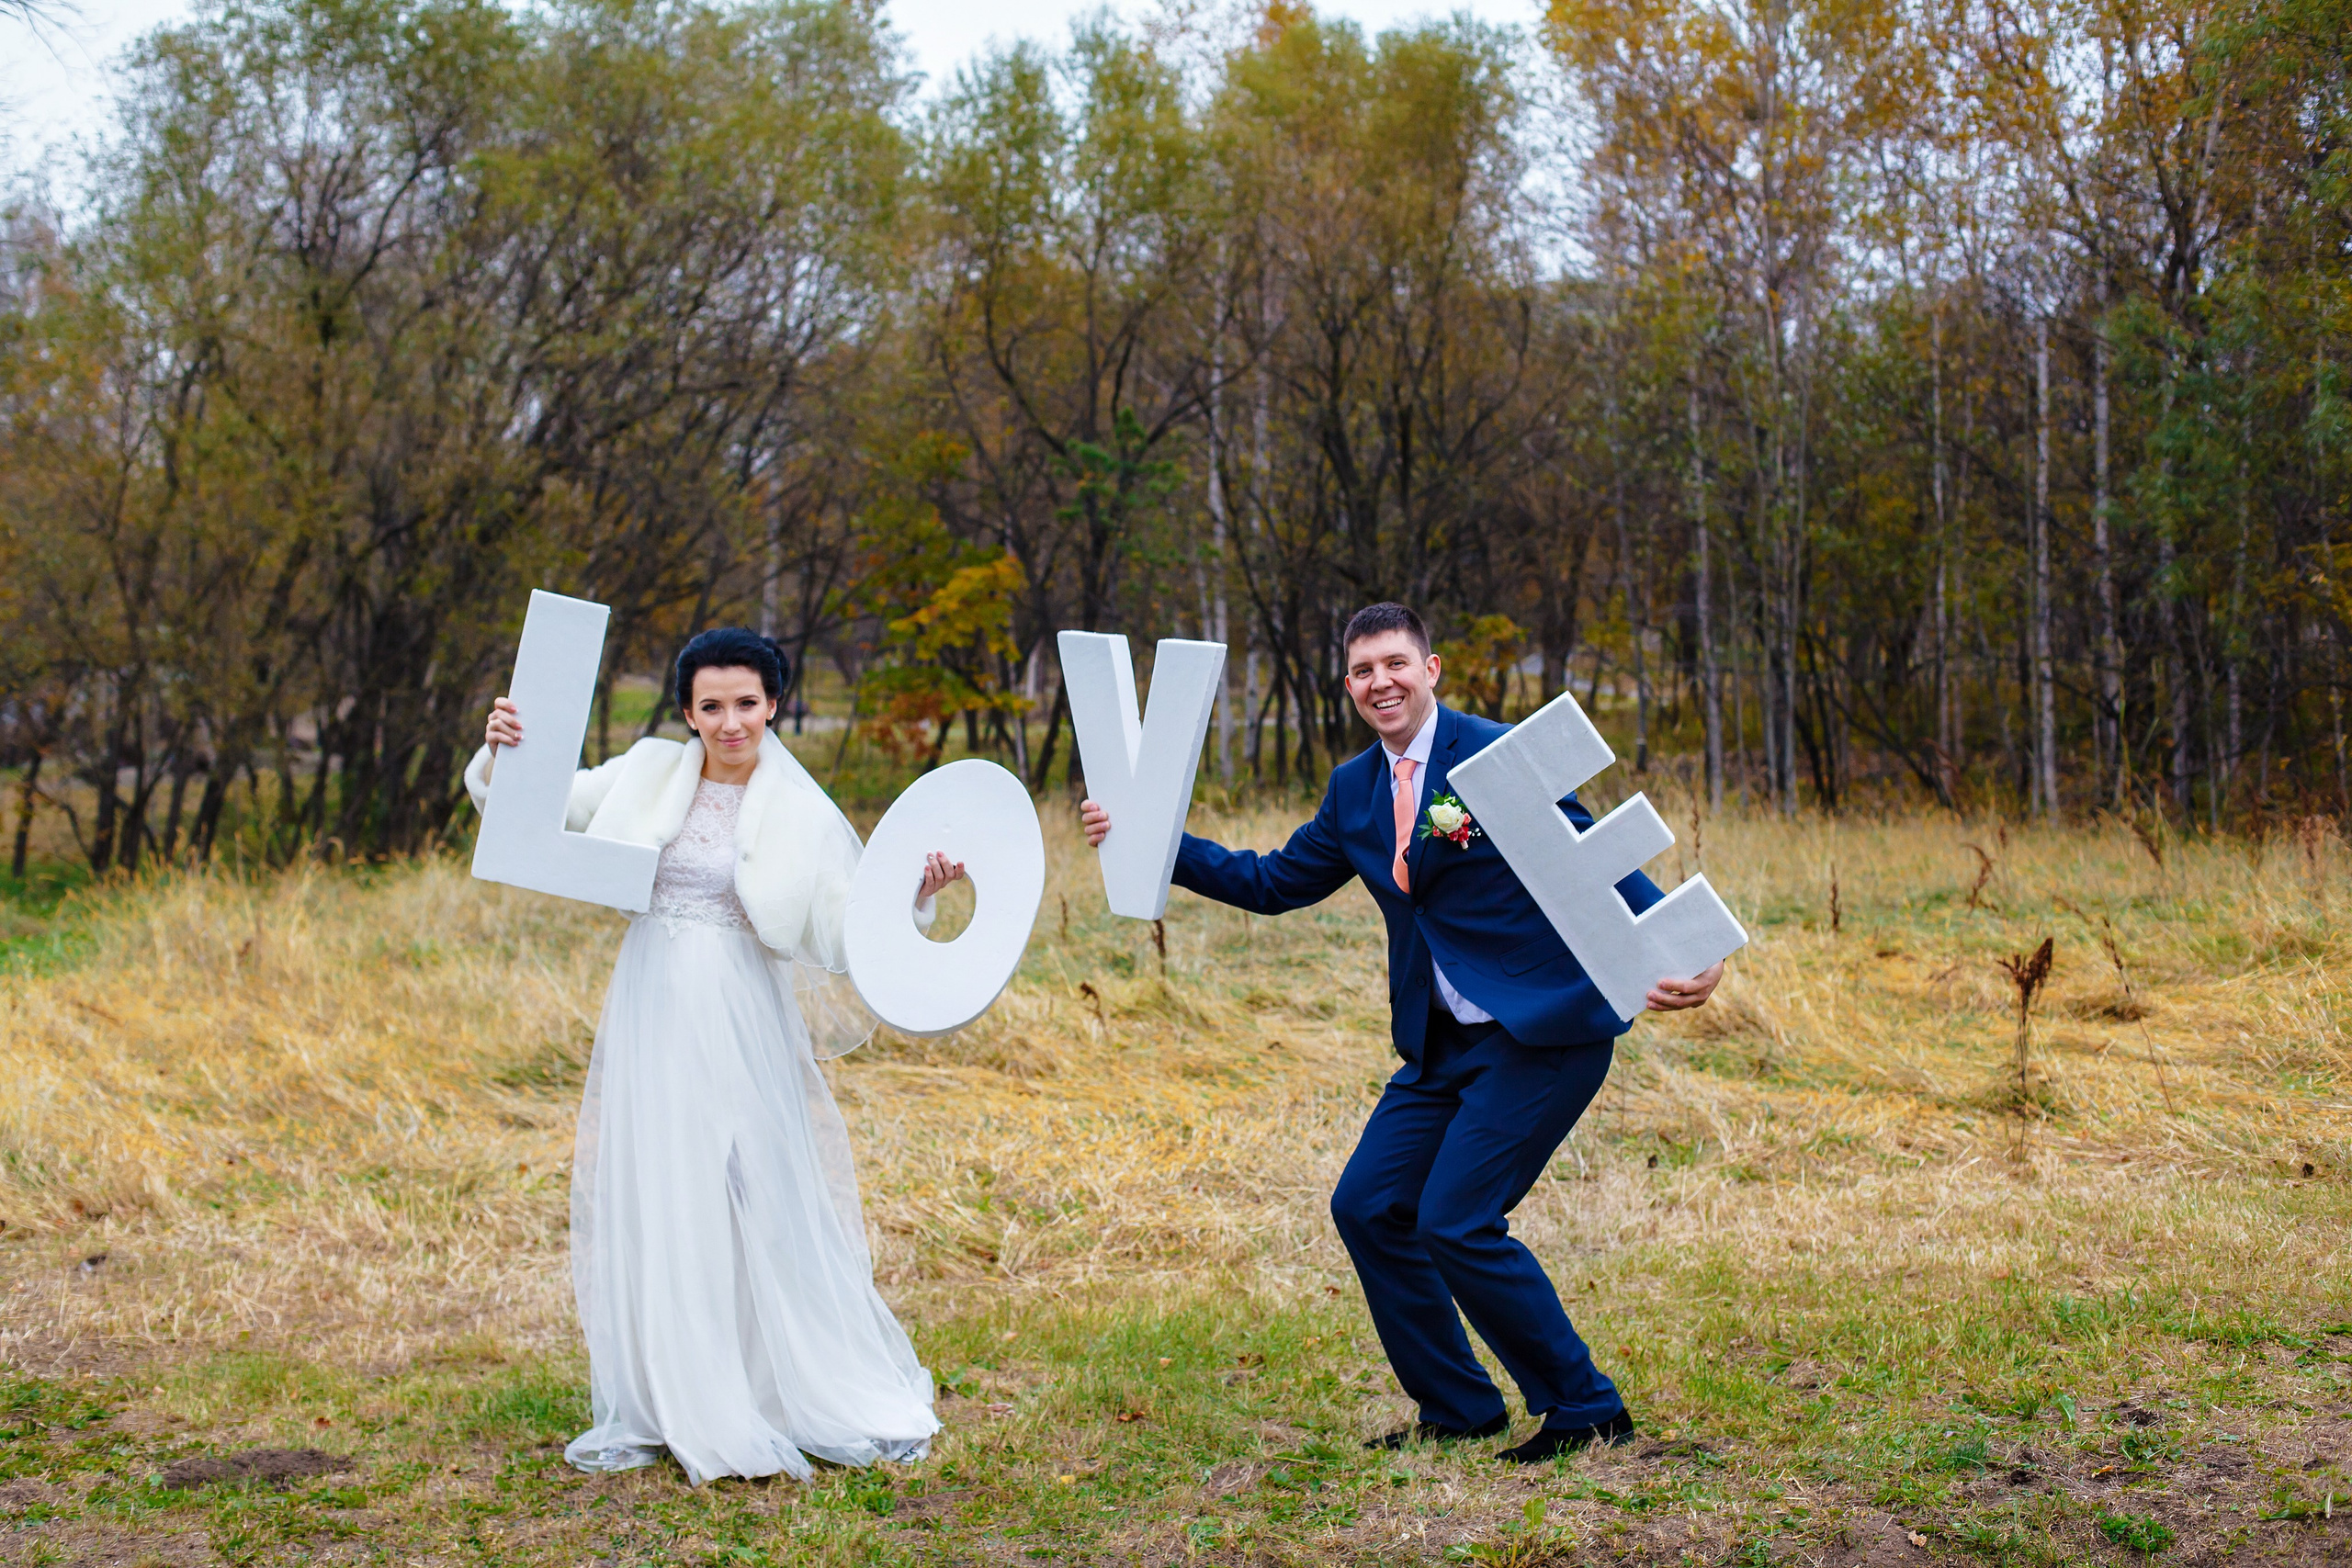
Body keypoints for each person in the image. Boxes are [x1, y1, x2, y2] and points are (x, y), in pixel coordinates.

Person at [1080, 603, 1722, 1463]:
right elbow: (1273, 882)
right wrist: (1151, 839)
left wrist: (1693, 950)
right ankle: (1458, 1406)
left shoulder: (1496, 753)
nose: (1379, 681)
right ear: (1347, 686)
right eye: (1361, 671)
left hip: (1543, 1032)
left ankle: (1584, 1406)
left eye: (1394, 663)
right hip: (1441, 1042)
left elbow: (1591, 854)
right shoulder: (1353, 789)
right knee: (1369, 1206)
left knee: (1456, 1220)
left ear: (1432, 669)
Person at [469, 627, 956, 1485]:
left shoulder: (801, 809)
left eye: (746, 703)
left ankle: (773, 1384)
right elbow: (544, 808)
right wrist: (505, 753)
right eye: (710, 705)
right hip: (653, 997)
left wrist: (912, 895)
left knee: (752, 1183)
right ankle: (675, 1393)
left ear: (772, 704)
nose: (730, 722)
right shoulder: (648, 772)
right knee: (664, 1180)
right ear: (688, 713)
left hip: (739, 1008)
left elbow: (846, 925)